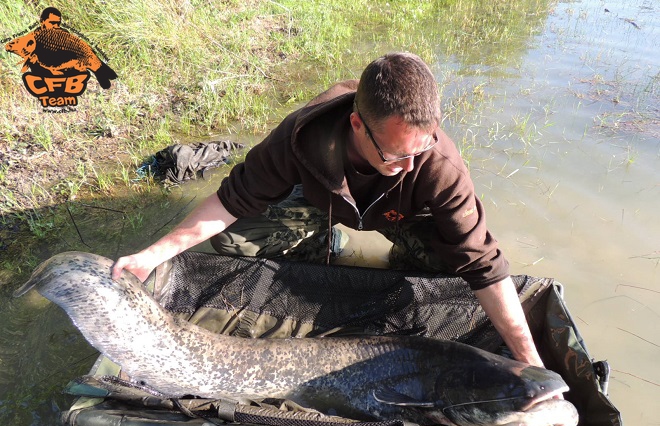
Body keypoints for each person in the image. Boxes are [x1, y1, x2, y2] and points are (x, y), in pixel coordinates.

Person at [112, 52, 546, 368]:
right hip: (324, 201)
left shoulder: (438, 167)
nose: (410, 167)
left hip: (404, 217)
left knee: (449, 278)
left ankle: (393, 257)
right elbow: (232, 200)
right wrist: (153, 255)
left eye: (423, 148)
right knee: (234, 241)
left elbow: (484, 264)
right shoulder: (301, 136)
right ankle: (327, 239)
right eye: (396, 155)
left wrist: (529, 360)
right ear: (358, 125)